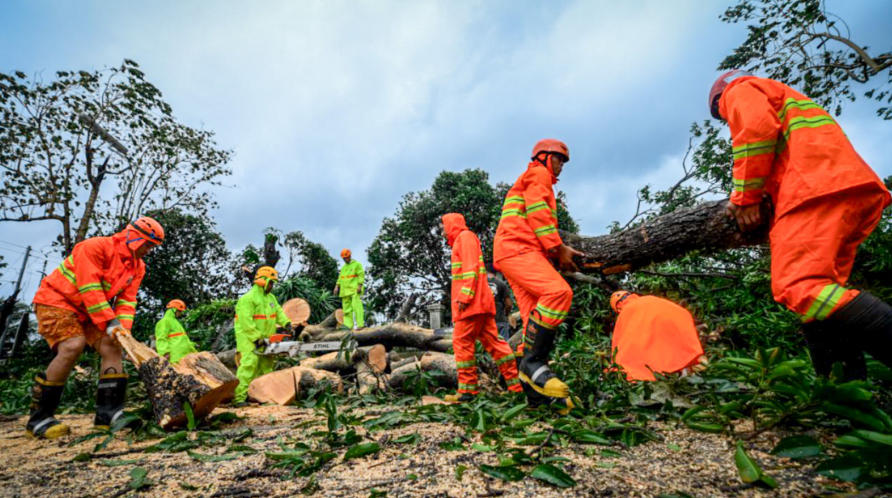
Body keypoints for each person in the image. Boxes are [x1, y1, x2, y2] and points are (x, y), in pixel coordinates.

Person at [709, 71, 892, 379]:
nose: (727, 118)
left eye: (722, 116)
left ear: (719, 99)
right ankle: (841, 398)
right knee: (818, 300)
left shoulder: (740, 90)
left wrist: (745, 198)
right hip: (842, 188)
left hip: (812, 190)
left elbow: (755, 131)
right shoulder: (789, 100)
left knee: (800, 287)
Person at [27, 217, 164, 438]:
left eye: (152, 246)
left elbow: (127, 301)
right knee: (73, 345)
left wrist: (123, 332)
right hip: (57, 300)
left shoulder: (137, 267)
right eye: (147, 244)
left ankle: (109, 414)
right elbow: (89, 288)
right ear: (133, 235)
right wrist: (109, 321)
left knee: (113, 345)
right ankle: (39, 418)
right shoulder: (94, 247)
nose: (148, 250)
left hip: (89, 310)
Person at [493, 138, 583, 399]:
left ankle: (534, 393)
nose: (561, 166)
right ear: (543, 157)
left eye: (564, 162)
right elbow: (538, 213)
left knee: (534, 313)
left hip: (516, 251)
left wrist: (551, 254)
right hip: (518, 249)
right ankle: (533, 363)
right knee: (559, 293)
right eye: (558, 159)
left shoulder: (534, 178)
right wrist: (558, 248)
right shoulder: (538, 174)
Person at [440, 213, 522, 402]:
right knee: (496, 345)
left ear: (452, 225)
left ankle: (468, 391)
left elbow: (471, 269)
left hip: (470, 306)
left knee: (462, 344)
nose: (444, 233)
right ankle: (515, 387)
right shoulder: (466, 239)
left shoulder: (464, 238)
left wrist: (465, 296)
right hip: (480, 305)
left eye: (444, 228)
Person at [609, 291, 706, 381]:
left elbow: (620, 343)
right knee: (678, 353)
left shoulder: (627, 311)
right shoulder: (651, 299)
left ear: (618, 307)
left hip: (662, 327)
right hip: (679, 320)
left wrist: (615, 366)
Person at [233, 266, 293, 404]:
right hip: (249, 339)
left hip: (266, 339)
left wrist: (287, 324)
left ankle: (263, 396)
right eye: (271, 282)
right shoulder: (248, 299)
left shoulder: (270, 298)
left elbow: (278, 312)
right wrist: (256, 338)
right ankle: (239, 398)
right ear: (263, 281)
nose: (272, 286)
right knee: (249, 366)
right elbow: (246, 322)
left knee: (267, 368)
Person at [154, 299, 198, 363]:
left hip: (184, 356)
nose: (180, 313)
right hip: (175, 357)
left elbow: (181, 338)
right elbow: (161, 338)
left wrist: (192, 345)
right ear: (174, 310)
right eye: (179, 311)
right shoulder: (164, 322)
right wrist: (165, 352)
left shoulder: (175, 322)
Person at [334, 249, 365, 329]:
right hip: (345, 291)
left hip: (354, 290)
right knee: (346, 311)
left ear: (350, 256)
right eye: (344, 258)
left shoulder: (357, 265)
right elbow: (340, 278)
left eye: (346, 257)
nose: (345, 259)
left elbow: (361, 275)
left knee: (357, 307)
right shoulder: (344, 268)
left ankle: (360, 325)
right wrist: (337, 286)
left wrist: (359, 285)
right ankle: (348, 327)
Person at [486, 262, 513, 341]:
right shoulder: (502, 284)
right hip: (500, 319)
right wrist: (506, 314)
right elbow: (508, 304)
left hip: (485, 320)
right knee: (504, 344)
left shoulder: (480, 284)